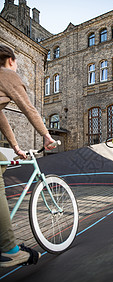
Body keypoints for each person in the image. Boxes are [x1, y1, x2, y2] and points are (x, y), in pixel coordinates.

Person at [0, 44, 56, 268]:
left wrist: (14, 147)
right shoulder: (8, 75)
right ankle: (9, 249)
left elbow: (0, 118)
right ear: (11, 60)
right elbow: (29, 109)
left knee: (3, 161)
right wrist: (46, 135)